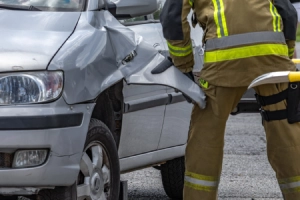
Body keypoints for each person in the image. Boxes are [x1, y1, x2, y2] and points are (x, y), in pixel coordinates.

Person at [160, 0, 299, 199]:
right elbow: (288, 13)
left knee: (206, 132)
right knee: (284, 127)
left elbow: (172, 18)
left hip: (222, 63)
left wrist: (184, 66)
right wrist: (284, 57)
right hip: (271, 58)